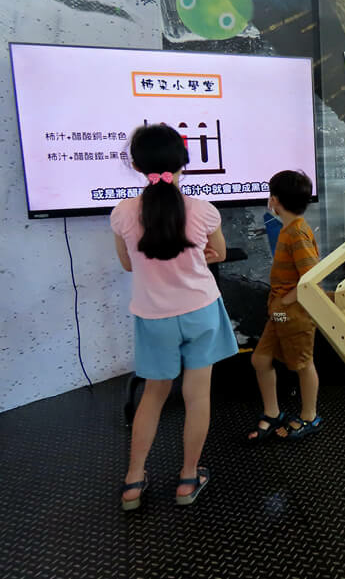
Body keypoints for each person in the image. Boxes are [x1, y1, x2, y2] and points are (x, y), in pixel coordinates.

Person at [112, 124, 237, 510]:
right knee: (197, 397)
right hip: (201, 311)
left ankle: (133, 482)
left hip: (155, 317)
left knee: (153, 396)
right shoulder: (202, 210)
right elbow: (220, 253)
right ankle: (187, 478)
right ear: (184, 162)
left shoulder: (122, 213)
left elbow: (127, 264)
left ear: (135, 164)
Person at [246, 170, 323, 443]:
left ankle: (309, 416)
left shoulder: (297, 233)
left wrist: (285, 300)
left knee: (302, 364)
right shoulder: (290, 229)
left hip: (293, 313)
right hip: (280, 312)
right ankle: (272, 410)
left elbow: (311, 276)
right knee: (260, 359)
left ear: (274, 200)